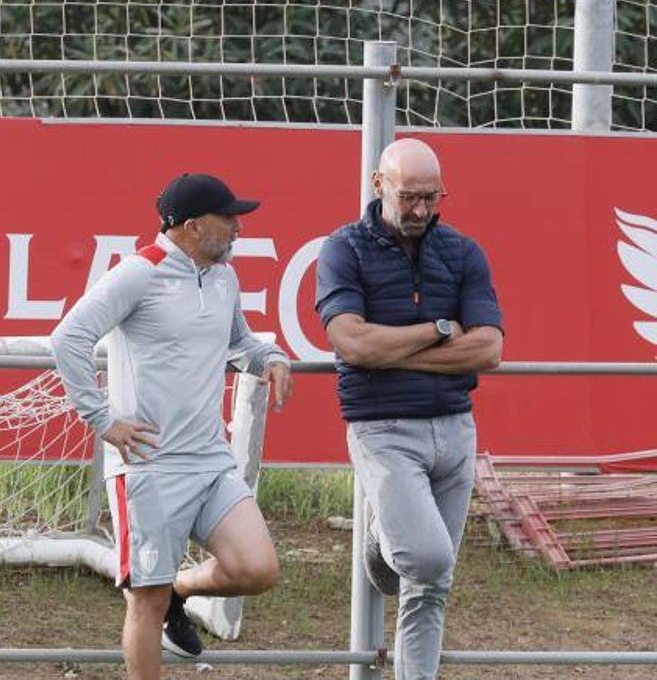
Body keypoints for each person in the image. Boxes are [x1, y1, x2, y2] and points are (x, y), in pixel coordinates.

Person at [51, 173, 293, 679]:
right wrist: (103, 421)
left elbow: (241, 343)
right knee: (146, 602)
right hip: (148, 467)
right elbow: (68, 338)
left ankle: (181, 589)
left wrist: (270, 357)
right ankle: (166, 596)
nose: (237, 227)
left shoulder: (224, 277)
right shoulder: (138, 272)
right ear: (191, 226)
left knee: (258, 568)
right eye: (228, 218)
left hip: (209, 459)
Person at [315, 138, 503, 679]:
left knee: (432, 586)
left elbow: (488, 349)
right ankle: (380, 541)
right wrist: (440, 332)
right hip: (383, 428)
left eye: (430, 198)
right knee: (428, 560)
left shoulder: (464, 251)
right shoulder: (343, 248)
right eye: (408, 197)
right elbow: (353, 345)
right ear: (379, 186)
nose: (420, 210)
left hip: (455, 426)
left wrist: (395, 353)